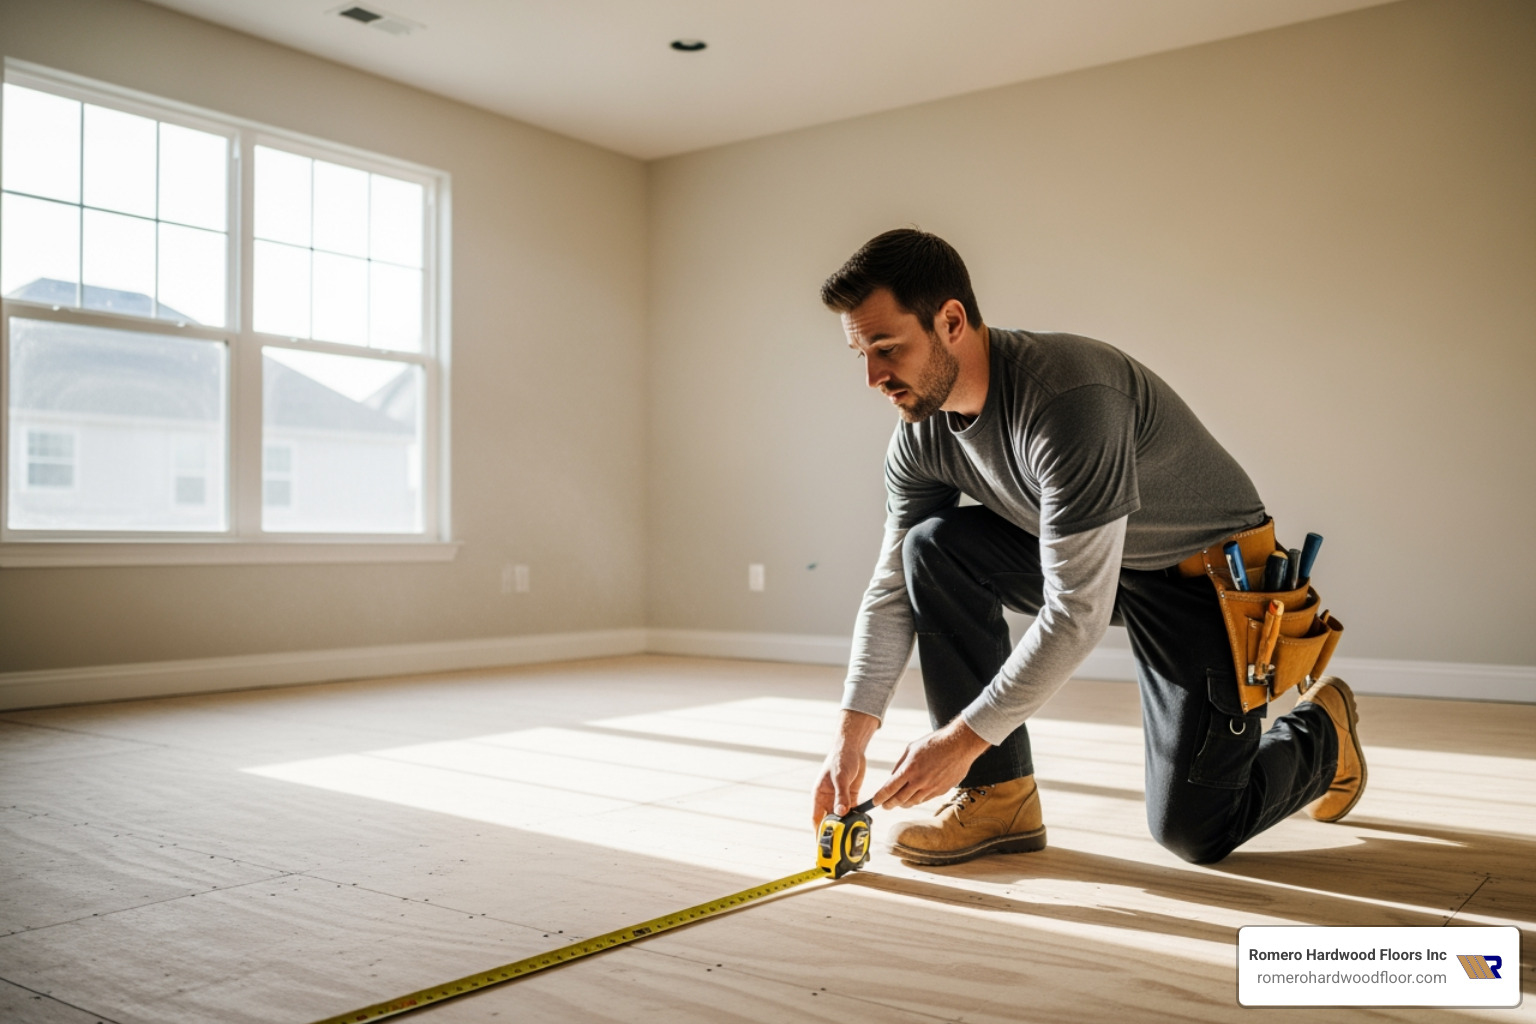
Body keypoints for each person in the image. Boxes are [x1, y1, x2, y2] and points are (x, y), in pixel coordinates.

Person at [810, 228, 1365, 865]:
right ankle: (998, 800)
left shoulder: (1068, 402)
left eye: (887, 347)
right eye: (861, 353)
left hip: (1205, 584)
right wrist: (850, 737)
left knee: (1196, 830)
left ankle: (1323, 734)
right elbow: (891, 588)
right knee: (932, 549)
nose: (874, 376)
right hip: (1100, 562)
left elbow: (1077, 613)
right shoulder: (919, 437)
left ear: (952, 320)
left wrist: (960, 741)